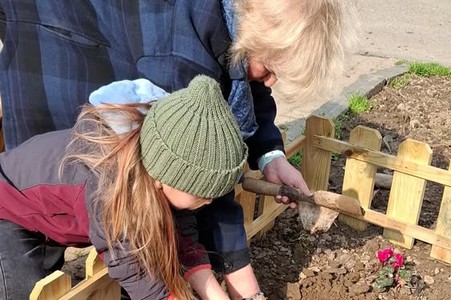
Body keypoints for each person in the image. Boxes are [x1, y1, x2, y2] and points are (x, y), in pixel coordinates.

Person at [0, 0, 355, 298]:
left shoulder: (164, 177)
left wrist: (270, 154)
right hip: (9, 214)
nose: (271, 81)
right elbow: (136, 271)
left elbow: (186, 238)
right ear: (164, 177)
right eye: (270, 68)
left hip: (61, 208)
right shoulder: (114, 196)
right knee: (23, 286)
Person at [0, 75, 268, 299]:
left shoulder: (155, 165)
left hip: (50, 216)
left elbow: (183, 237)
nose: (209, 202)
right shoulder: (107, 183)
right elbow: (128, 263)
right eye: (202, 193)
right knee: (25, 291)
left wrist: (215, 295)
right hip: (7, 208)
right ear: (165, 176)